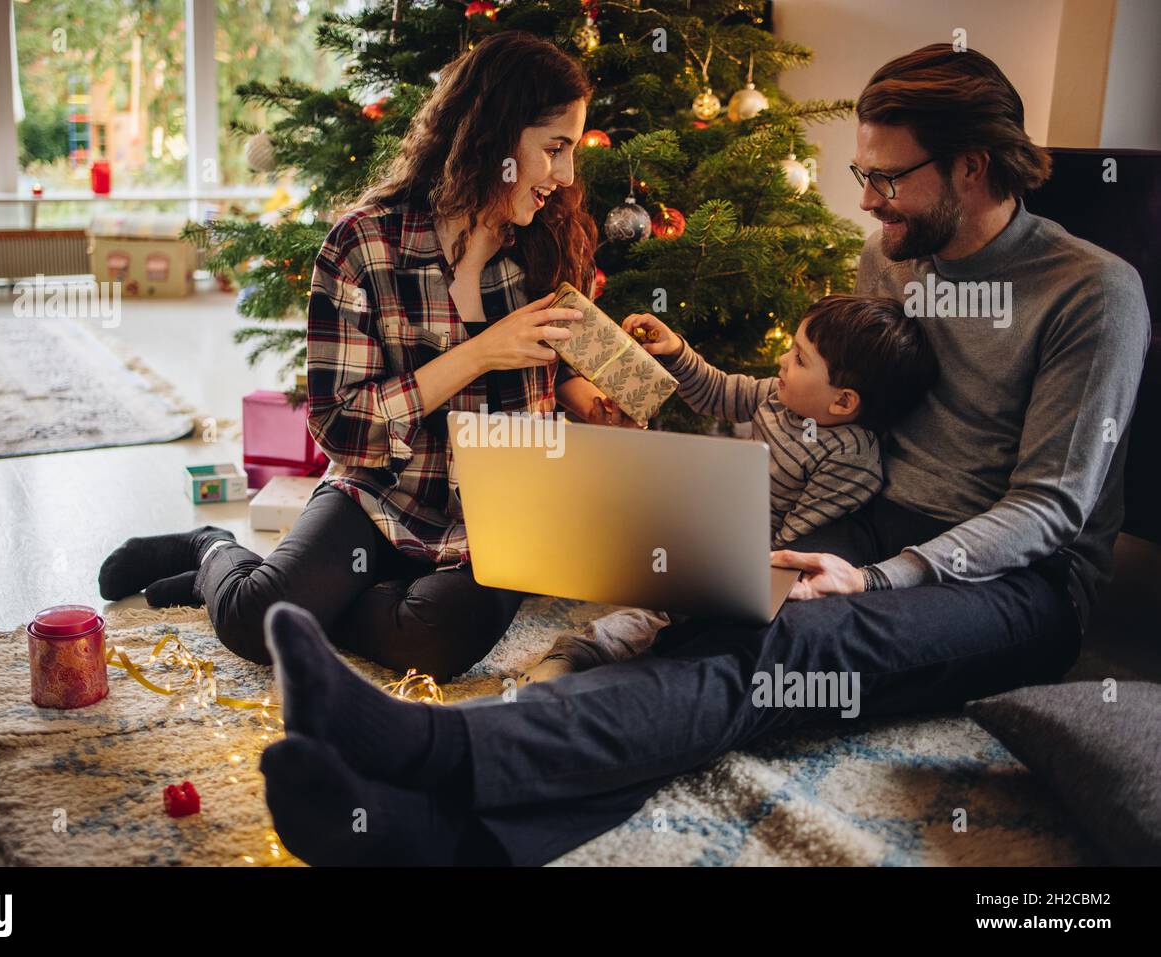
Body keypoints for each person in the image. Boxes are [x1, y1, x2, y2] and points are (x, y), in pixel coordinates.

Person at [257, 43, 1151, 866]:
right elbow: (836, 413)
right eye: (860, 175)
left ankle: (428, 745)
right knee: (695, 629)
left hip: (1009, 582)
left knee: (779, 654)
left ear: (972, 165)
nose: (868, 202)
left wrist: (880, 578)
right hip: (868, 522)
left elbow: (1050, 511)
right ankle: (446, 839)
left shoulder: (1091, 293)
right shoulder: (895, 256)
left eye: (886, 178)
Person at [96, 32, 633, 680]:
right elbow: (339, 426)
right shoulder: (363, 245)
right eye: (556, 148)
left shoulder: (549, 242)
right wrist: (477, 354)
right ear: (497, 135)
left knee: (434, 645)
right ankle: (209, 548)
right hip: (380, 492)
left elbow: (566, 372)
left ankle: (315, 606)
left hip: (500, 516)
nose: (568, 175)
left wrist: (594, 407)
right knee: (254, 621)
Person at [520, 293, 939, 684]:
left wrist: (720, 566)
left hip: (748, 567)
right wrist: (677, 352)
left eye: (799, 358)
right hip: (717, 539)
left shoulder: (851, 460)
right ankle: (580, 648)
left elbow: (796, 545)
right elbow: (717, 392)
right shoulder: (775, 398)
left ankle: (600, 660)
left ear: (843, 402)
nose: (782, 359)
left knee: (666, 623)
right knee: (646, 575)